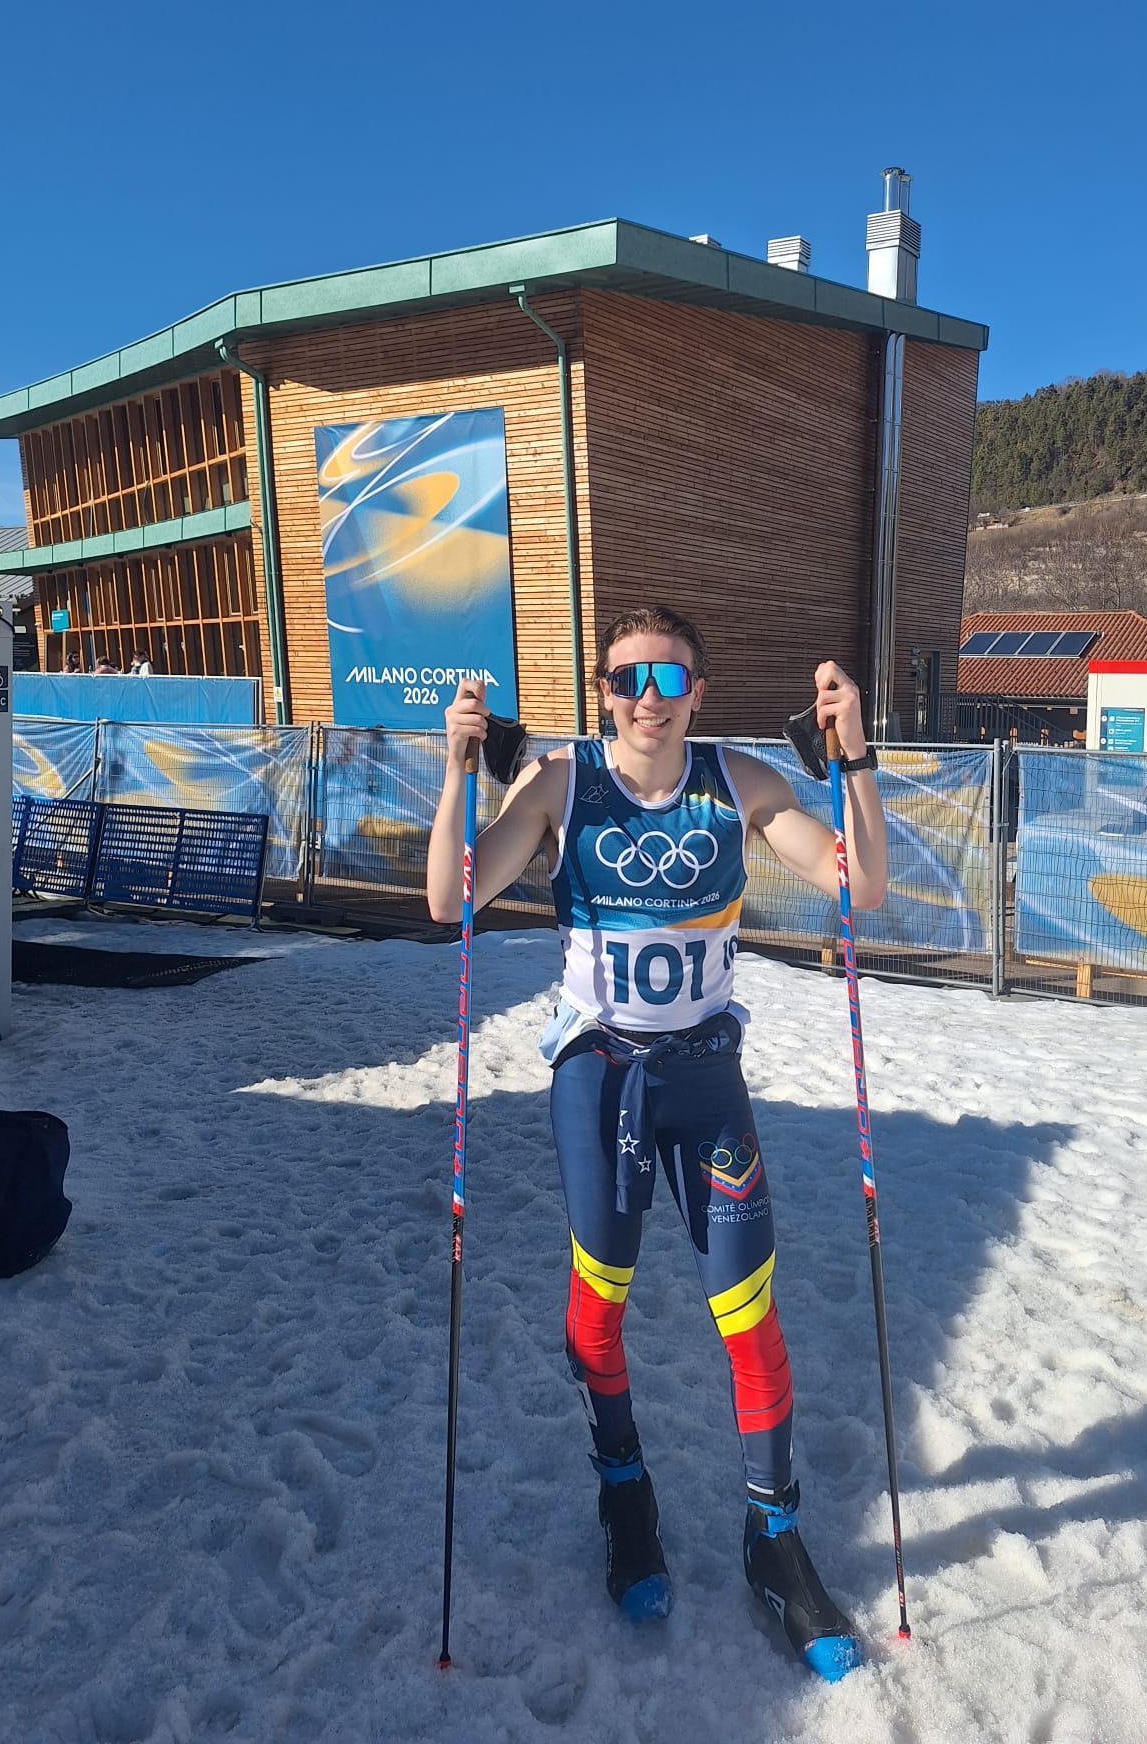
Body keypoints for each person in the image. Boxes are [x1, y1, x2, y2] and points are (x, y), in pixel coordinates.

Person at [426, 605, 887, 1682]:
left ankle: (774, 1541)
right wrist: (456, 767)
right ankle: (624, 1488)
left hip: (706, 1084)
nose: (648, 696)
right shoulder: (556, 782)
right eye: (628, 678)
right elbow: (451, 896)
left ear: (697, 690)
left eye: (669, 678)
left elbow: (859, 887)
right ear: (602, 692)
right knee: (599, 1310)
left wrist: (854, 756)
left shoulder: (738, 782)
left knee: (750, 1315)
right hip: (602, 1082)